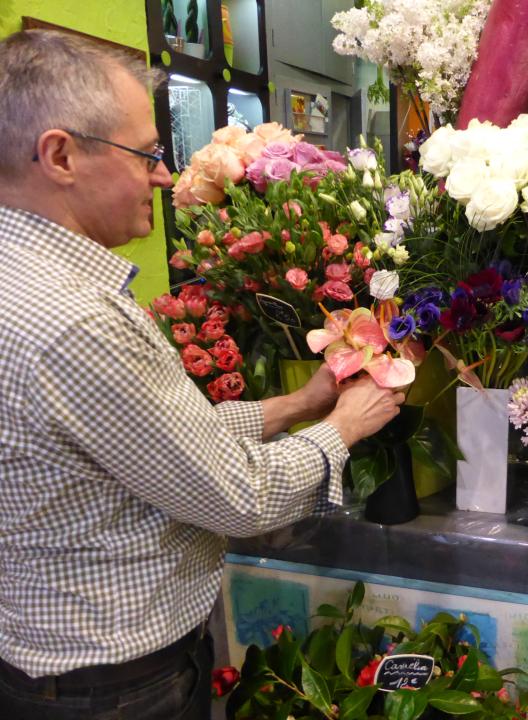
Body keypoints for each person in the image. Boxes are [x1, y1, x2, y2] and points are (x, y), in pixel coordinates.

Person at [0, 29, 404, 719]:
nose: (162, 177)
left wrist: (294, 404)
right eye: (146, 154)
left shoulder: (28, 281)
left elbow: (144, 442)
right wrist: (343, 426)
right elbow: (237, 498)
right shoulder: (76, 320)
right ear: (60, 155)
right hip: (115, 684)